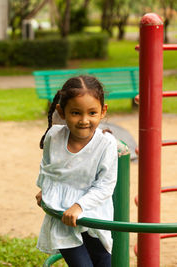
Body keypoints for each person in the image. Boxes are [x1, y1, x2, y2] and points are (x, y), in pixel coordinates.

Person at [35, 75, 118, 267]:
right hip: (62, 214)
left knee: (103, 262)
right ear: (61, 111)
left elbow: (105, 185)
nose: (84, 120)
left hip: (94, 213)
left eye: (92, 113)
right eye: (75, 113)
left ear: (103, 111)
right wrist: (45, 188)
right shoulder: (53, 137)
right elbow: (48, 168)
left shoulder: (106, 144)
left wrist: (79, 206)